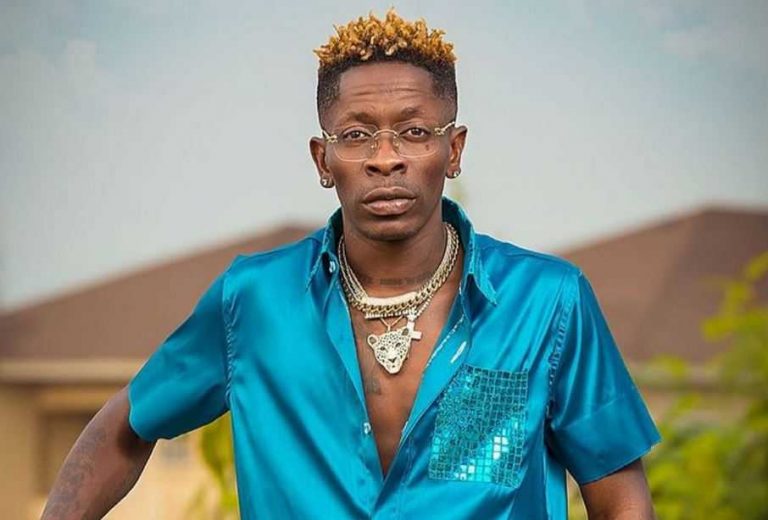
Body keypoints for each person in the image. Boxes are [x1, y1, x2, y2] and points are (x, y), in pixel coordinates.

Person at [43, 8, 661, 519]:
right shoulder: (252, 301)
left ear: (453, 150)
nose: (385, 158)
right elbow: (125, 428)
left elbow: (619, 496)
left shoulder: (547, 303)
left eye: (415, 132)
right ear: (323, 159)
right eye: (357, 134)